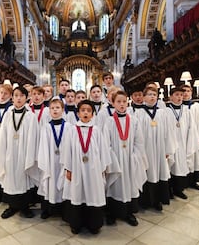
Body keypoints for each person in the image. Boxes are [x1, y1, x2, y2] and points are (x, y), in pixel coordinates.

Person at [61, 100, 112, 234]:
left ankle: (93, 224)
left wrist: (102, 169)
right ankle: (76, 224)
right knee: (77, 194)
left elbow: (103, 150)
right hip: (76, 168)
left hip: (94, 169)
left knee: (93, 193)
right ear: (78, 113)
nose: (85, 113)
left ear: (92, 114)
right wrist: (68, 169)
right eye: (83, 110)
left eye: (88, 111)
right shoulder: (72, 130)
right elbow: (67, 151)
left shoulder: (96, 130)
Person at [0, 86, 39, 219]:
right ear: (12, 98)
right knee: (11, 179)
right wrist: (2, 152)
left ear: (26, 98)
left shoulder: (31, 116)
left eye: (21, 96)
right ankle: (11, 207)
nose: (19, 98)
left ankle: (25, 207)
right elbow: (2, 135)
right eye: (16, 96)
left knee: (23, 178)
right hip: (10, 153)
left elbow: (34, 137)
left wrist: (29, 155)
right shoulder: (8, 114)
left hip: (24, 153)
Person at [103, 90, 147, 227]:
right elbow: (106, 143)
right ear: (113, 103)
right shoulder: (109, 121)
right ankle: (112, 213)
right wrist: (112, 159)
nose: (122, 105)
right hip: (115, 159)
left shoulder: (133, 121)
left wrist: (134, 156)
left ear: (127, 102)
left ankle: (129, 213)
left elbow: (139, 141)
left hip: (129, 159)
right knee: (115, 186)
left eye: (124, 101)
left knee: (130, 185)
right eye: (118, 102)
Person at [138, 86, 174, 211]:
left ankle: (157, 200)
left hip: (159, 149)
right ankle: (146, 201)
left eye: (154, 94)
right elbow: (137, 135)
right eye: (149, 94)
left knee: (159, 172)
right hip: (145, 150)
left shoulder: (162, 113)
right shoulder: (138, 113)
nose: (152, 96)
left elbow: (168, 132)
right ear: (143, 97)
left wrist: (167, 150)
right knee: (147, 172)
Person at [37, 99, 73, 219]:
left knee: (63, 183)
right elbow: (42, 146)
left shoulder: (69, 127)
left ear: (63, 110)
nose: (55, 110)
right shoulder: (46, 127)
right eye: (52, 108)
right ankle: (48, 209)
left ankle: (64, 210)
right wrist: (45, 162)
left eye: (58, 108)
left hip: (64, 161)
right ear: (49, 111)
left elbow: (71, 146)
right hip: (50, 161)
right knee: (50, 182)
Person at [165, 87, 199, 200]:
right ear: (171, 97)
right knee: (171, 167)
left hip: (183, 144)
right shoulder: (166, 111)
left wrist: (190, 143)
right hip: (171, 144)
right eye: (177, 95)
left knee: (181, 167)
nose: (180, 97)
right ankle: (170, 190)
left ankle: (179, 189)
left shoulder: (186, 111)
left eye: (181, 95)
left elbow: (192, 128)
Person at [181, 84, 199, 191]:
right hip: (183, 139)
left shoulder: (196, 106)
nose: (186, 93)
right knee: (183, 160)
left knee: (194, 159)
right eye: (184, 91)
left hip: (194, 138)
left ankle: (193, 182)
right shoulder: (179, 106)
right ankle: (183, 182)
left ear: (191, 92)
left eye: (188, 91)